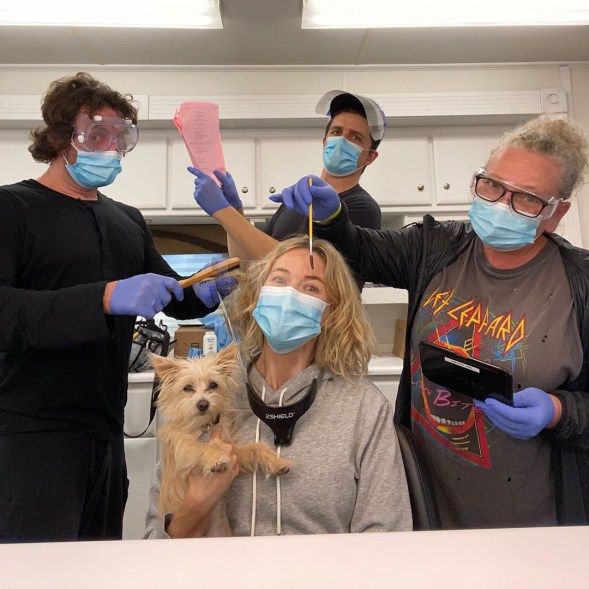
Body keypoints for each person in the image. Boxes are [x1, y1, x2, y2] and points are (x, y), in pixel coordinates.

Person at [267, 115, 589, 529]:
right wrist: (333, 219)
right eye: (492, 185)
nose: (500, 204)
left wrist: (560, 411)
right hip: (428, 506)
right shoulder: (436, 246)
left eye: (526, 198)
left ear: (557, 212)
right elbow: (362, 250)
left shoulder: (578, 283)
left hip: (535, 520)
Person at [0, 72, 226, 543]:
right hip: (31, 434)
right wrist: (103, 297)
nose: (110, 147)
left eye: (120, 137)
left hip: (107, 431)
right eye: (96, 133)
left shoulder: (126, 221)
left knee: (100, 562)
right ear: (61, 138)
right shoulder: (13, 209)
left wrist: (213, 287)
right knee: (40, 572)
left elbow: (176, 293)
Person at [144, 236, 412, 538]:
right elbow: (155, 542)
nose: (289, 297)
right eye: (279, 280)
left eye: (310, 287)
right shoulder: (207, 405)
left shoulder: (363, 408)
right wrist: (197, 503)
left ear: (331, 311)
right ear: (257, 295)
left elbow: (388, 535)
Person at [188, 90, 386, 261]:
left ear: (370, 157)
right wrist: (234, 211)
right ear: (325, 142)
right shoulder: (296, 199)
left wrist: (223, 211)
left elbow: (301, 269)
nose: (342, 140)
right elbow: (247, 260)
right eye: (336, 131)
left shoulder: (362, 208)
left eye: (355, 137)